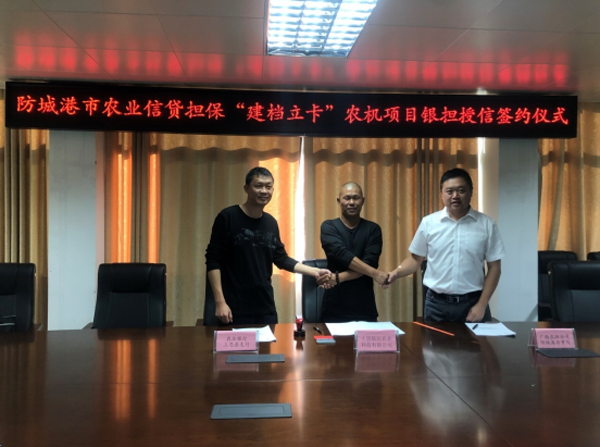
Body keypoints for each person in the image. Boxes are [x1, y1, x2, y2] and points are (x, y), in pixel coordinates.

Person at [206, 167, 331, 325]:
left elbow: (281, 259)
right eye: (258, 186)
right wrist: (220, 302)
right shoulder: (228, 217)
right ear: (246, 188)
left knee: (270, 342)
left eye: (268, 186)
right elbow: (213, 260)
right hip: (232, 308)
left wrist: (315, 271)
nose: (264, 191)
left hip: (265, 308)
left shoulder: (270, 222)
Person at [386, 168, 505, 322]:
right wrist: (396, 272)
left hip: (473, 303)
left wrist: (482, 304)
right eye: (449, 191)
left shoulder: (487, 224)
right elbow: (415, 259)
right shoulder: (429, 223)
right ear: (441, 193)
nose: (455, 196)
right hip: (436, 304)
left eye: (461, 190)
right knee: (433, 339)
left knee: (476, 339)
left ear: (471, 192)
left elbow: (495, 268)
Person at [317, 182, 388, 322]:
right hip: (334, 307)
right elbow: (341, 254)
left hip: (365, 307)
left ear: (363, 201)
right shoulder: (328, 226)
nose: (351, 202)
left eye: (356, 198)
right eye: (347, 198)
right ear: (339, 201)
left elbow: (370, 263)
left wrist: (338, 278)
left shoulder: (373, 229)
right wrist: (374, 273)